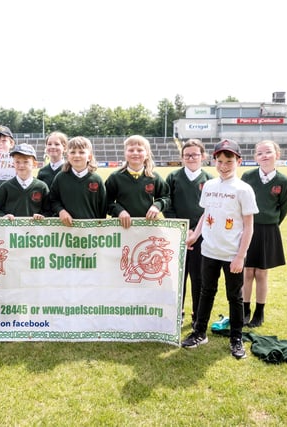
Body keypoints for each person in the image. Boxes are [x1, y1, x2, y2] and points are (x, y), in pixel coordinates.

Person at [182, 139, 258, 359]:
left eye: (229, 161)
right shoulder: (209, 185)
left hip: (232, 254)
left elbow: (249, 226)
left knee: (235, 297)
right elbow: (206, 215)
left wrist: (240, 257)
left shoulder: (244, 189)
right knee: (207, 291)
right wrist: (195, 236)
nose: (224, 165)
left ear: (238, 161)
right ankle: (199, 332)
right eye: (220, 160)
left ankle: (236, 338)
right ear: (214, 160)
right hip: (209, 251)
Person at [241, 140, 287, 328]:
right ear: (255, 157)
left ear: (277, 154)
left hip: (268, 230)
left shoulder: (283, 181)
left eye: (268, 152)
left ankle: (259, 312)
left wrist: (271, 223)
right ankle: (244, 310)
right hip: (248, 229)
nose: (264, 156)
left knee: (261, 273)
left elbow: (283, 208)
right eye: (259, 153)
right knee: (247, 272)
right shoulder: (248, 176)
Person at [163, 139, 212, 327]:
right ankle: (178, 312)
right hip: (178, 235)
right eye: (187, 155)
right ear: (182, 157)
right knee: (178, 276)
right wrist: (182, 229)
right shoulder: (173, 177)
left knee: (199, 276)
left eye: (195, 154)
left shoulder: (209, 180)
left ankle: (197, 314)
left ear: (203, 156)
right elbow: (167, 204)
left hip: (202, 236)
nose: (191, 158)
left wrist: (196, 233)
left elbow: (210, 209)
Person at [105, 135, 169, 229]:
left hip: (147, 227)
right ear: (125, 153)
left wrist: (157, 206)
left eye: (139, 150)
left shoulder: (154, 177)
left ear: (147, 154)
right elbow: (105, 201)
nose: (135, 153)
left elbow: (166, 197)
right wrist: (119, 211)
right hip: (122, 228)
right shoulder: (115, 177)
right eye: (131, 150)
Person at [50, 136, 107, 225]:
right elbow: (53, 200)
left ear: (89, 157)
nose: (77, 155)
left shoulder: (96, 180)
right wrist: (61, 211)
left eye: (81, 152)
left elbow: (103, 207)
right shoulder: (60, 178)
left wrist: (99, 226)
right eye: (72, 152)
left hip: (90, 231)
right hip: (65, 229)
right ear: (68, 156)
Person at [0, 143, 52, 220]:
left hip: (34, 230)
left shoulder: (41, 187)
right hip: (11, 230)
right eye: (17, 162)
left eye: (26, 162)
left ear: (35, 164)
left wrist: (42, 216)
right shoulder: (6, 186)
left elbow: (49, 210)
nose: (21, 165)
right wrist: (3, 216)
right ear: (13, 164)